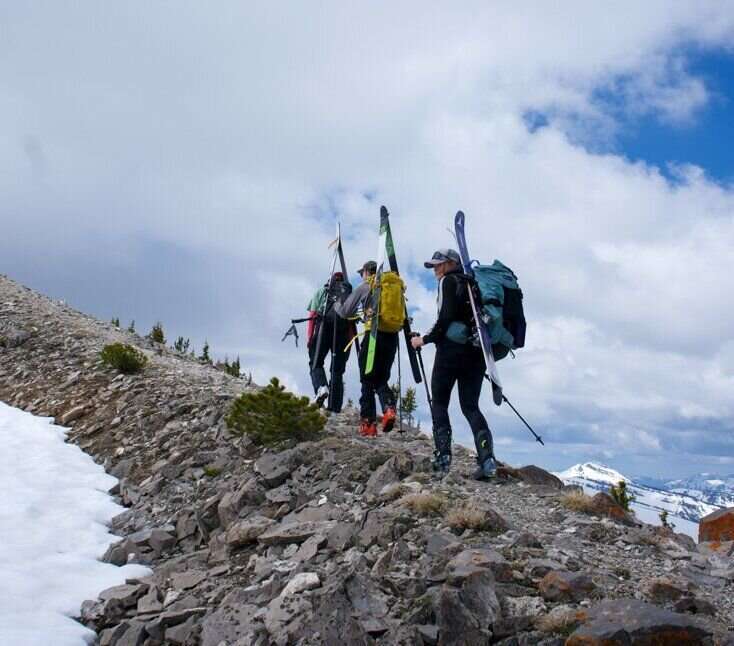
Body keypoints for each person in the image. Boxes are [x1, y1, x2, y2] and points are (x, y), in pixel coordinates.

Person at [410, 249, 497, 479]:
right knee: (470, 406)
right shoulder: (474, 284)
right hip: (477, 351)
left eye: (439, 265)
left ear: (451, 264)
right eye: (434, 266)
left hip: (450, 351)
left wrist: (424, 340)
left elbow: (445, 318)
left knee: (439, 402)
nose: (435, 270)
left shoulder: (449, 281)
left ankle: (443, 458)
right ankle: (488, 461)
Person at [335, 260, 398, 437]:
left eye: (361, 273)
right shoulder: (393, 285)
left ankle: (368, 424)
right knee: (381, 379)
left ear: (366, 272)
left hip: (373, 336)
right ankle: (389, 408)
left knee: (366, 378)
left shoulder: (366, 286)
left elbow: (345, 312)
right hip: (392, 337)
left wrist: (337, 303)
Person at [306, 272, 353, 412]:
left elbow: (312, 316)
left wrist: (310, 338)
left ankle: (321, 387)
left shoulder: (323, 291)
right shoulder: (348, 295)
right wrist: (349, 344)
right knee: (337, 370)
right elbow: (351, 322)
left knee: (315, 361)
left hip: (323, 329)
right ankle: (335, 407)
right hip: (343, 333)